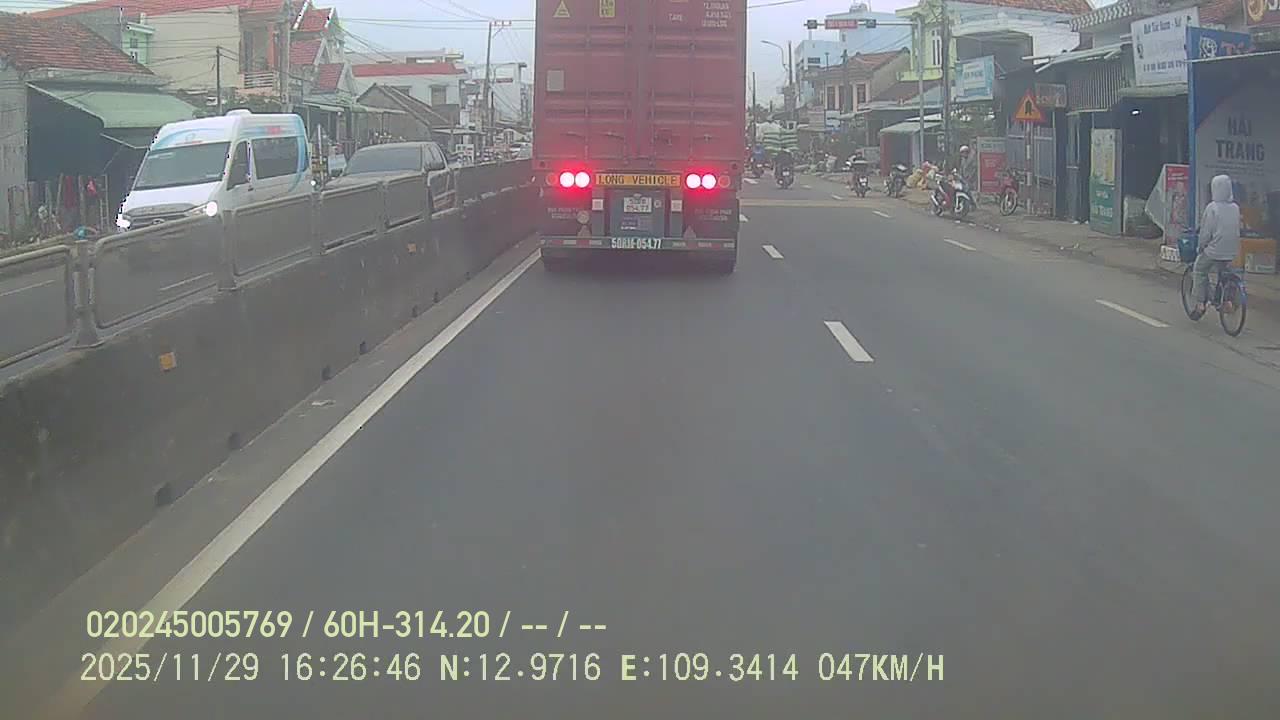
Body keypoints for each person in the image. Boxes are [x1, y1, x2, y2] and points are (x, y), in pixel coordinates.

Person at [1192, 174, 1242, 315]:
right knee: (1224, 272)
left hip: (1214, 250)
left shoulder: (1212, 208)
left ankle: (1200, 303)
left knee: (1199, 270)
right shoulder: (1235, 207)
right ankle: (1226, 301)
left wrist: (1200, 247)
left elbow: (1206, 233)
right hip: (1232, 250)